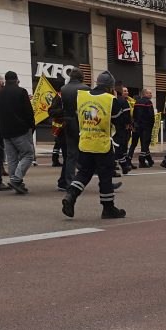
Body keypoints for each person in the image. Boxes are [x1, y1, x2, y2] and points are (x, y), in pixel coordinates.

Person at [61, 71, 127, 219]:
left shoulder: (82, 96)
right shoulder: (110, 100)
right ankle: (108, 209)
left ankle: (71, 195)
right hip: (102, 144)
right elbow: (120, 123)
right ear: (110, 87)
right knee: (105, 176)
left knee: (84, 172)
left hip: (85, 142)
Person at [48, 65, 90, 192]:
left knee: (70, 156)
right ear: (82, 77)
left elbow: (53, 111)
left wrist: (66, 112)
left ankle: (65, 181)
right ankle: (70, 182)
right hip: (82, 125)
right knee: (83, 155)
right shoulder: (86, 89)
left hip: (67, 126)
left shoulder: (63, 90)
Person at [0, 71, 37, 194]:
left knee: (12, 158)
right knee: (28, 155)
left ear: (6, 80)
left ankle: (17, 182)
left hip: (5, 131)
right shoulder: (21, 92)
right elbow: (28, 111)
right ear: (16, 79)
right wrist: (31, 125)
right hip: (20, 130)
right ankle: (16, 179)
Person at [129, 89, 156, 167]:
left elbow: (134, 114)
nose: (151, 94)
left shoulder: (137, 102)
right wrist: (151, 125)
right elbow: (151, 116)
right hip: (146, 126)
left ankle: (149, 160)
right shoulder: (148, 102)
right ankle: (142, 160)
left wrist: (134, 124)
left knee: (134, 144)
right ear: (144, 94)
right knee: (145, 144)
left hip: (137, 126)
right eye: (149, 93)